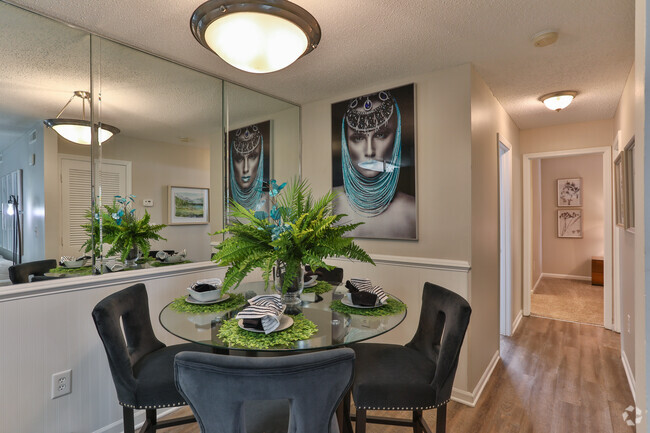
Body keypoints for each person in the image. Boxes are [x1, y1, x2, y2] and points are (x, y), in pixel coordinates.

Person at [333, 90, 416, 239]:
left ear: (395, 139)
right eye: (358, 138)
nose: (370, 151)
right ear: (346, 144)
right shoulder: (329, 203)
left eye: (380, 135)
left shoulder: (412, 211)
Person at [229, 125, 266, 213]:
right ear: (232, 162)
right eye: (239, 159)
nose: (245, 168)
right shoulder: (226, 201)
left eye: (252, 157)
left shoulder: (269, 199)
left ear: (260, 159)